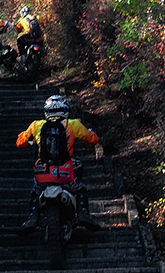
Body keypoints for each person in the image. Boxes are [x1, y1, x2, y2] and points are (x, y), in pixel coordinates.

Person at [15, 94, 101, 232]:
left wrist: (29, 137)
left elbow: (20, 143)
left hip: (43, 172)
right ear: (65, 110)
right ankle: (83, 214)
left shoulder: (36, 125)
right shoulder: (73, 124)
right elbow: (93, 140)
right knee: (80, 189)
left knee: (35, 191)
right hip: (66, 171)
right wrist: (92, 133)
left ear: (46, 112)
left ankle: (32, 217)